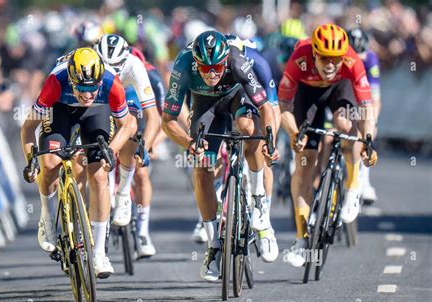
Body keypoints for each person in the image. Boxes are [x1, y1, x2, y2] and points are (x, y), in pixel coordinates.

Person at [161, 30, 279, 282]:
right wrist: (189, 143)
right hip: (205, 104)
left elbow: (266, 107)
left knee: (250, 131)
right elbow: (168, 121)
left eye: (216, 67)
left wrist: (269, 139)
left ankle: (259, 203)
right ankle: (213, 246)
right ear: (195, 62)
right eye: (205, 68)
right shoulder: (183, 65)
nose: (211, 73)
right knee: (202, 165)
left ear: (225, 60)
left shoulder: (237, 61)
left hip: (238, 96)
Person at [21, 48, 136, 278]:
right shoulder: (55, 82)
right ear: (71, 80)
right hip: (60, 110)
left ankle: (99, 254)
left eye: (92, 88)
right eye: (81, 88)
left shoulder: (110, 83)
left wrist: (112, 150)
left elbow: (129, 125)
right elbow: (28, 129)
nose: (87, 94)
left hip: (96, 113)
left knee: (99, 175)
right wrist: (31, 160)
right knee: (50, 163)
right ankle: (47, 217)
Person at [277, 24, 378, 267]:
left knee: (345, 124)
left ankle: (353, 187)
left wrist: (368, 141)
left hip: (339, 90)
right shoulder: (299, 57)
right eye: (325, 58)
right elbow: (284, 107)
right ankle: (302, 239)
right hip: (306, 95)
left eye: (336, 59)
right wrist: (293, 133)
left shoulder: (353, 62)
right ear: (314, 54)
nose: (331, 64)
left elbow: (367, 109)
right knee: (305, 162)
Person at [95, 34, 161, 258]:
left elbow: (155, 117)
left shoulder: (136, 66)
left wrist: (147, 146)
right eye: (107, 66)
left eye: (117, 66)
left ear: (127, 58)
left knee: (133, 142)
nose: (112, 71)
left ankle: (140, 229)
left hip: (129, 95)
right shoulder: (92, 64)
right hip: (102, 96)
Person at [347, 27, 381, 205]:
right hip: (342, 94)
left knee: (366, 132)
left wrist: (372, 122)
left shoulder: (371, 60)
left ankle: (364, 180)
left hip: (362, 96)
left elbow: (375, 98)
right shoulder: (338, 59)